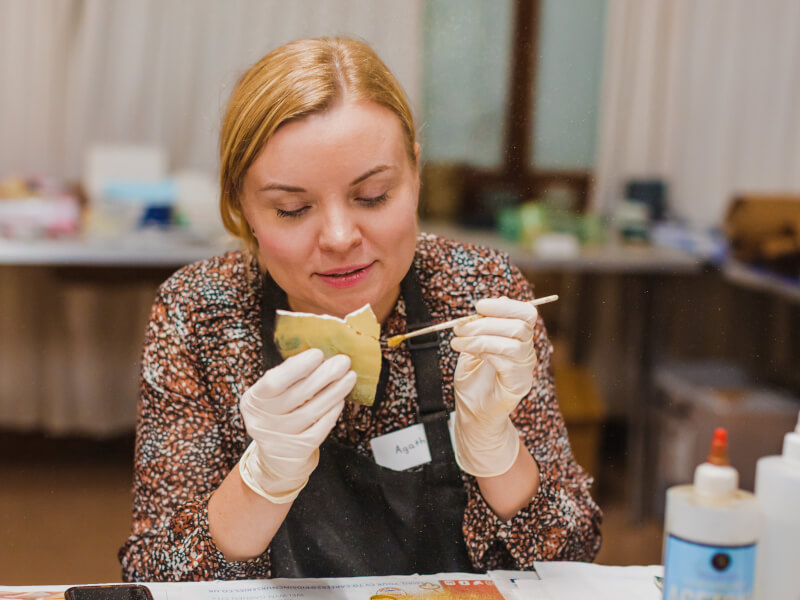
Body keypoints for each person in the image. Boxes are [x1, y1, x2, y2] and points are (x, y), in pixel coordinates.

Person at [119, 37, 601, 582]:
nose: (341, 237)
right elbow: (153, 575)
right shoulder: (199, 313)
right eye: (292, 208)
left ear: (415, 176)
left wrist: (496, 452)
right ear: (241, 206)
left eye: (372, 196)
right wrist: (263, 480)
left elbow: (576, 554)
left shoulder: (481, 293)